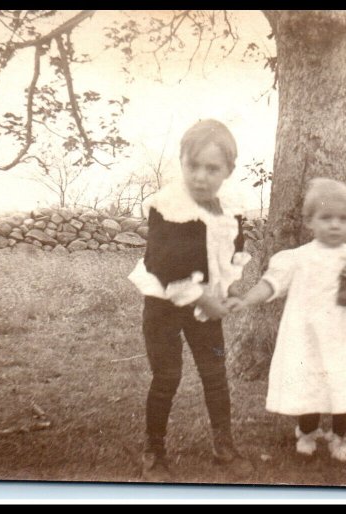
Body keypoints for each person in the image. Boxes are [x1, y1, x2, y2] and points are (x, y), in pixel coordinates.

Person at [228, 178, 346, 462]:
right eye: (326, 218)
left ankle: (342, 435)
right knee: (309, 383)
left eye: (343, 219)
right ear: (310, 222)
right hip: (307, 335)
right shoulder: (296, 258)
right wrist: (246, 299)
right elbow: (272, 284)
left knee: (345, 383)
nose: (335, 225)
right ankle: (307, 431)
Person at [127, 119, 254, 481]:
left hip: (206, 304)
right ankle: (154, 450)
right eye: (192, 166)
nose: (200, 176)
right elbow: (162, 264)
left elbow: (231, 249)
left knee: (215, 373)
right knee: (167, 375)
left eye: (212, 168)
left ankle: (223, 446)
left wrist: (226, 286)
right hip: (164, 303)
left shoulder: (228, 206)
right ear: (181, 162)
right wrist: (202, 296)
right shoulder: (168, 205)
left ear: (229, 170)